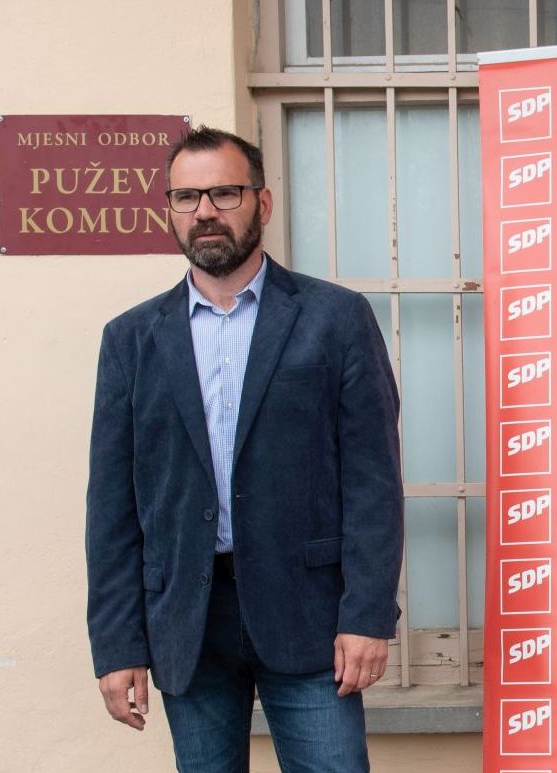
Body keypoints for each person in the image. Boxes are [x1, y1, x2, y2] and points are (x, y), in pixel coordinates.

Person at [85, 126, 403, 771]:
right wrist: (118, 645)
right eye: (187, 197)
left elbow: (373, 483)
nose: (204, 211)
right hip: (189, 621)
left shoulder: (335, 318)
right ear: (170, 210)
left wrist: (368, 615)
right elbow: (113, 504)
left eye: (224, 193)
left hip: (310, 617)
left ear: (263, 202)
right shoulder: (131, 339)